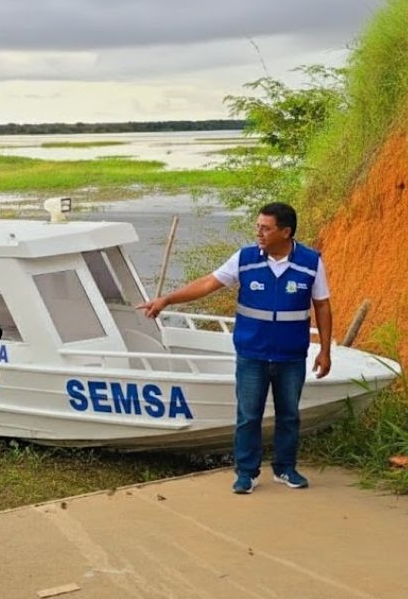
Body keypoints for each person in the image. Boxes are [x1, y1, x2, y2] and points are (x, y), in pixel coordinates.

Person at [137, 202, 332, 493]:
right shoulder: (244, 259)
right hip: (252, 354)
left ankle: (285, 469)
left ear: (285, 232)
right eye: (257, 227)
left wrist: (325, 350)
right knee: (248, 415)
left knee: (289, 415)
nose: (259, 233)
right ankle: (246, 473)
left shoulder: (311, 262)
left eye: (266, 228)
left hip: (290, 357)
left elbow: (323, 306)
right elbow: (206, 284)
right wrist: (167, 300)